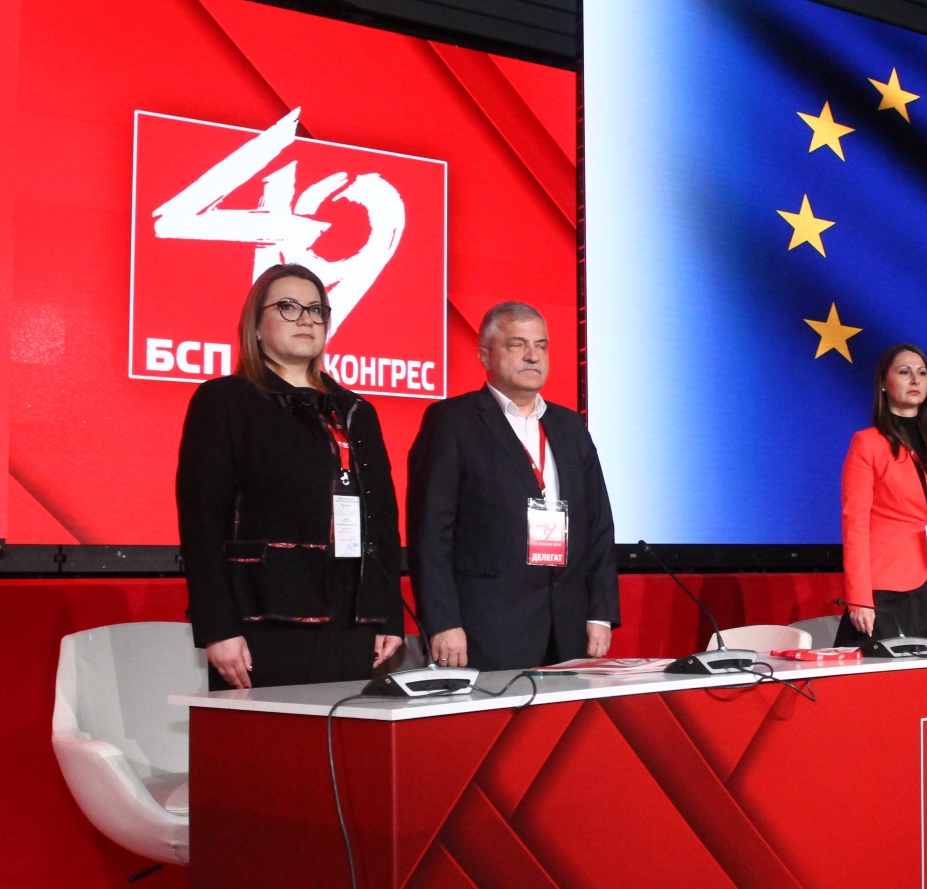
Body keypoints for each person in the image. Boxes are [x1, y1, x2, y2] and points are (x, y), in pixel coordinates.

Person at [176, 263, 405, 690]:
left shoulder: (356, 411)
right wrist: (217, 627)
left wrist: (388, 612)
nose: (306, 319)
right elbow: (201, 521)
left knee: (345, 731)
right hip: (263, 619)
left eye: (316, 310)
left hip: (352, 618)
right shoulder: (225, 400)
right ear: (255, 326)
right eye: (287, 307)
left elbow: (383, 519)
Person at [406, 302, 620, 671]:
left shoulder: (570, 426)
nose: (533, 355)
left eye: (541, 345)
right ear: (484, 356)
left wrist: (600, 611)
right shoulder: (452, 421)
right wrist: (442, 622)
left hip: (568, 627)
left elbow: (598, 524)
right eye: (517, 344)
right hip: (487, 629)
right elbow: (430, 532)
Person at [837, 344, 927, 642]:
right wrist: (859, 598)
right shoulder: (867, 444)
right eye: (904, 372)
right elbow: (855, 525)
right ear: (884, 383)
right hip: (889, 588)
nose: (915, 380)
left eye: (922, 373)